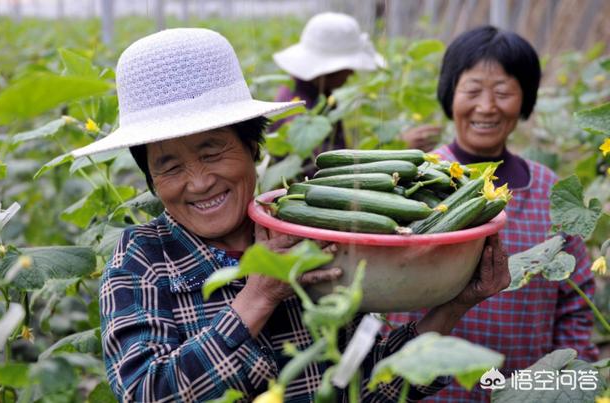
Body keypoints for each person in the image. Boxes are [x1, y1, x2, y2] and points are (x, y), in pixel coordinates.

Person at [71, 28, 510, 402]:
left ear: (253, 149)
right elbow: (145, 391)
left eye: (212, 151)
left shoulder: (309, 230)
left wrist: (455, 304)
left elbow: (364, 380)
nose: (199, 181)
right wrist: (259, 296)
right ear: (150, 178)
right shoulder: (142, 259)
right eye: (169, 166)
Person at [387, 25, 599, 402]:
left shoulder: (552, 192)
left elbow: (576, 303)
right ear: (450, 95)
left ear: (525, 100)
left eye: (503, 92)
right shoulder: (414, 182)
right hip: (427, 391)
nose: (486, 107)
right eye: (472, 91)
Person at [271, 12, 441, 158]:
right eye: (348, 67)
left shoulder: (319, 93)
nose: (352, 73)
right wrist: (397, 149)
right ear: (331, 69)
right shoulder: (297, 109)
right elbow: (326, 171)